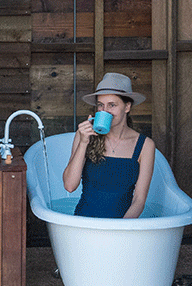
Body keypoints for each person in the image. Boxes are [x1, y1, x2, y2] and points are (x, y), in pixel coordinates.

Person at [63, 72, 155, 219]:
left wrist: (120, 230)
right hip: (83, 224)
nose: (105, 111)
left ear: (127, 107)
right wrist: (83, 143)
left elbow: (139, 200)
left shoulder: (145, 145)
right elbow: (69, 185)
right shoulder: (84, 136)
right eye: (100, 105)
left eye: (112, 105)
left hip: (121, 228)